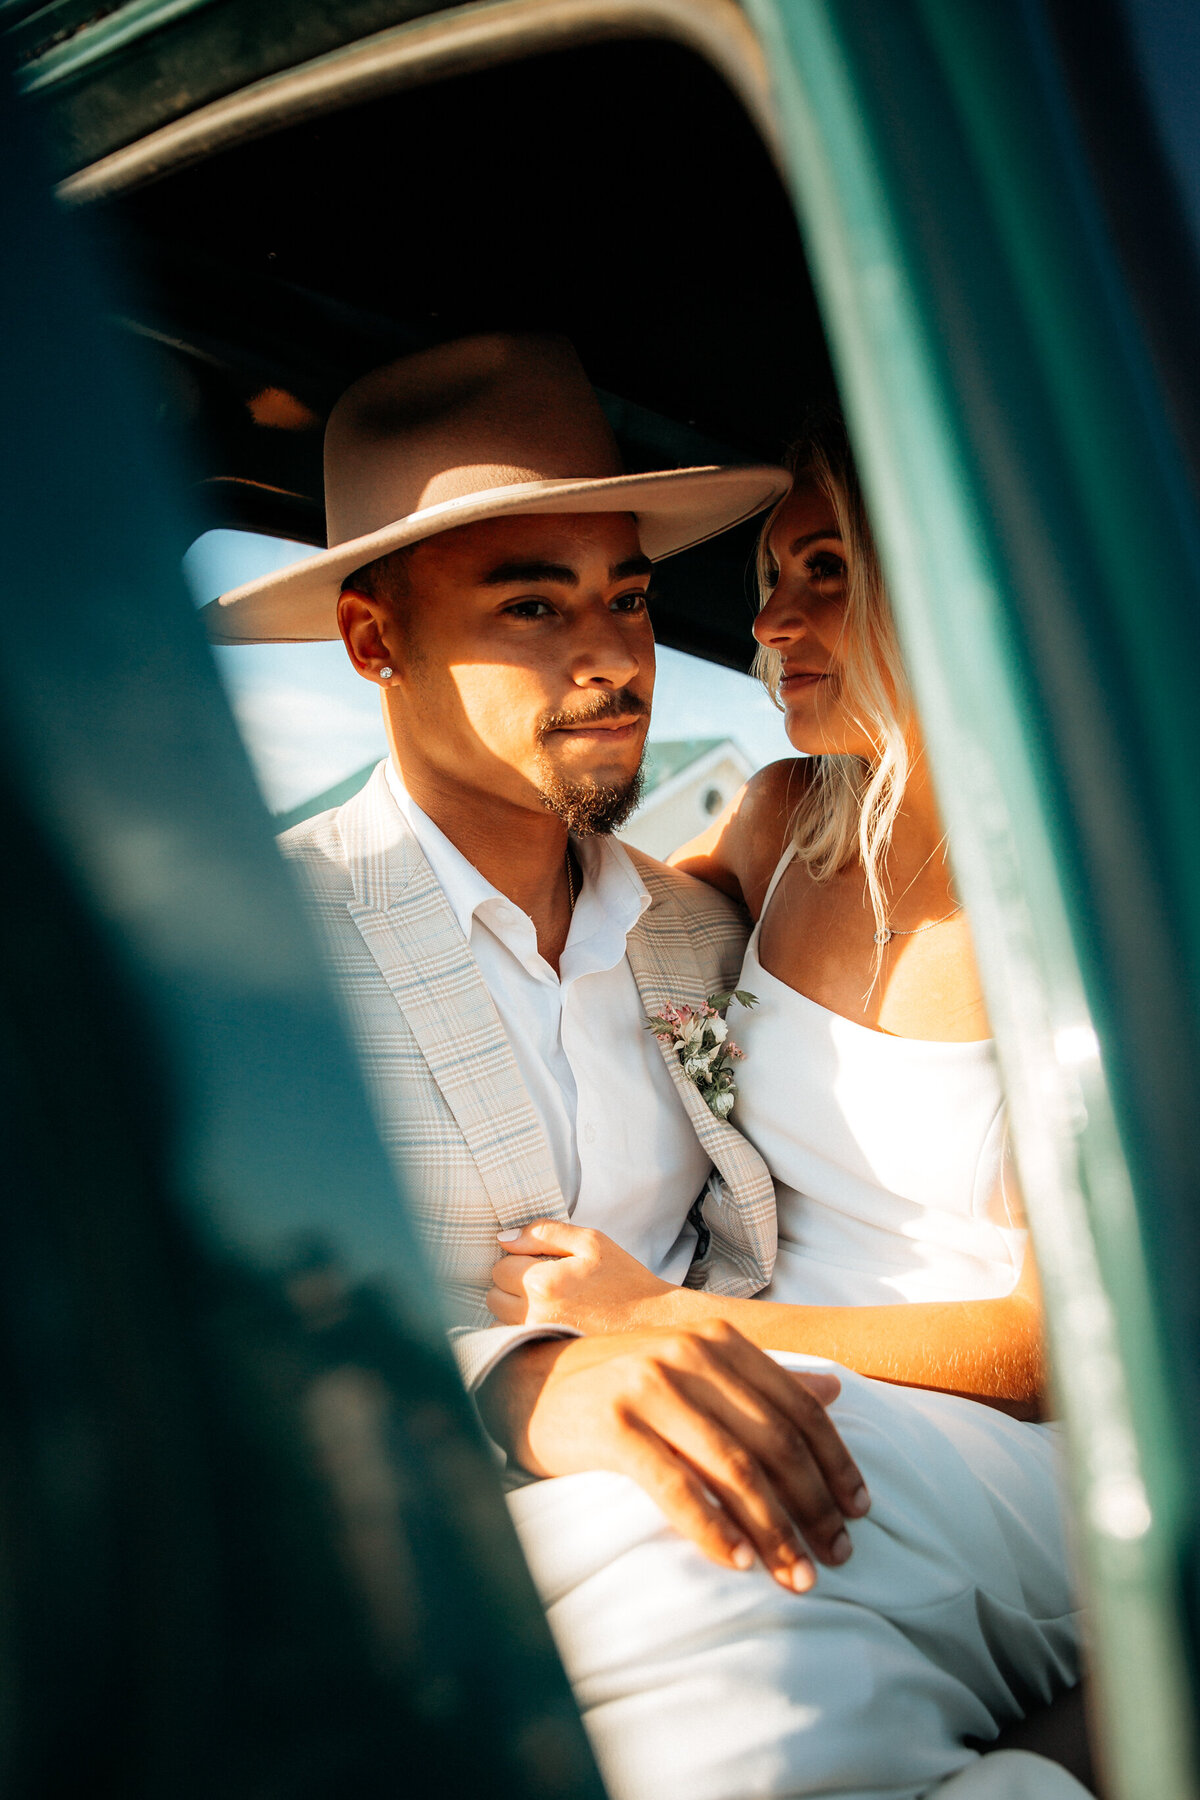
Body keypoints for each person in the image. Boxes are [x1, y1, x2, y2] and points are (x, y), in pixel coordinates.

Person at [207, 343, 1083, 1800]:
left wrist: (670, 1326)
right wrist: (530, 1388)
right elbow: (218, 1350)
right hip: (459, 1527)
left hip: (803, 1479)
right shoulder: (261, 965)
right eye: (534, 607)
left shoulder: (691, 930)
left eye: (624, 597)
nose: (619, 658)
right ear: (372, 643)